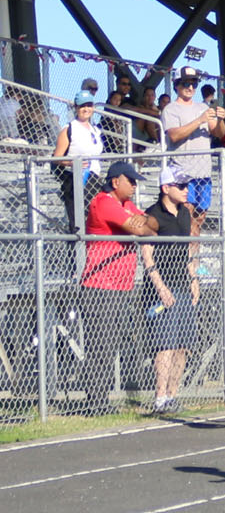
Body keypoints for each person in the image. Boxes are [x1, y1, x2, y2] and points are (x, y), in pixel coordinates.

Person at [79, 160, 159, 414]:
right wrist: (142, 224)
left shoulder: (125, 204)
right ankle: (96, 402)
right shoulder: (104, 202)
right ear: (115, 182)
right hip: (100, 285)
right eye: (130, 181)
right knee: (99, 346)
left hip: (121, 286)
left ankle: (101, 399)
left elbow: (152, 225)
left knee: (112, 345)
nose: (135, 186)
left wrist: (143, 222)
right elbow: (139, 229)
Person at [142, 164, 201, 414]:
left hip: (183, 284)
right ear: (166, 188)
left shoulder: (185, 213)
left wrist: (194, 279)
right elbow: (147, 254)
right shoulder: (153, 215)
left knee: (181, 346)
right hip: (162, 287)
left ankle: (173, 396)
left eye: (187, 186)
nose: (186, 190)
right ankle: (160, 398)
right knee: (165, 345)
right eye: (181, 186)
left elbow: (189, 249)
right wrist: (161, 287)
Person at [161, 67, 225, 215]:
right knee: (186, 214)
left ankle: (195, 239)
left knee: (201, 216)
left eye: (194, 84)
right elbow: (174, 135)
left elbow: (218, 133)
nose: (190, 88)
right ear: (177, 84)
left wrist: (221, 120)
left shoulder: (203, 106)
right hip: (183, 172)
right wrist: (199, 120)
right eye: (186, 84)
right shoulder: (171, 109)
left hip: (203, 172)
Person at [53, 91, 105, 232]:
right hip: (76, 179)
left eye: (89, 105)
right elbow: (57, 157)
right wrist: (72, 163)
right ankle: (75, 252)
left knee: (94, 220)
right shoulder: (69, 129)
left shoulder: (96, 130)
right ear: (76, 107)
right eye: (82, 106)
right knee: (77, 222)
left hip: (94, 179)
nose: (86, 109)